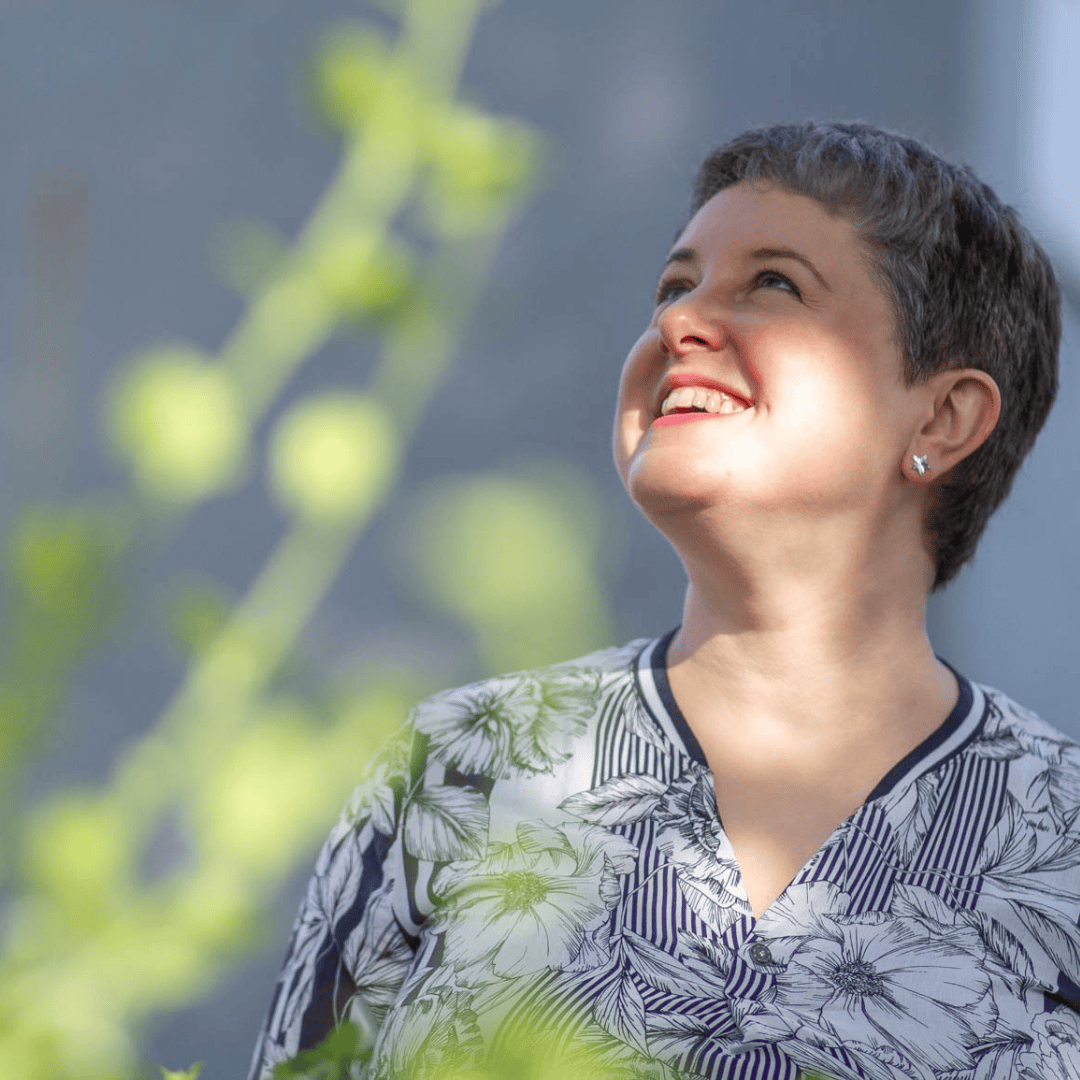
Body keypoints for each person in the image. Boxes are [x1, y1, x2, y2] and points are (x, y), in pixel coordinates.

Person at [247, 121, 1074, 1080]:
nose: (677, 324)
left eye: (774, 283)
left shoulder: (1062, 834)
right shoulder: (459, 768)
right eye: (674, 287)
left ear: (943, 415)